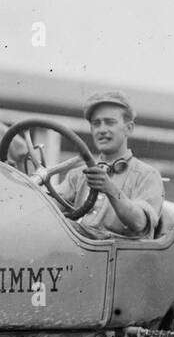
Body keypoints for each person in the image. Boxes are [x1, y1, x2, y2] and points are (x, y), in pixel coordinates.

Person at [57, 90, 164, 238]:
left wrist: (109, 188)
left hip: (121, 252)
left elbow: (139, 223)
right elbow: (48, 209)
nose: (102, 130)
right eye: (96, 124)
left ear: (129, 128)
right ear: (91, 130)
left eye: (110, 122)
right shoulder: (77, 175)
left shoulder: (147, 175)